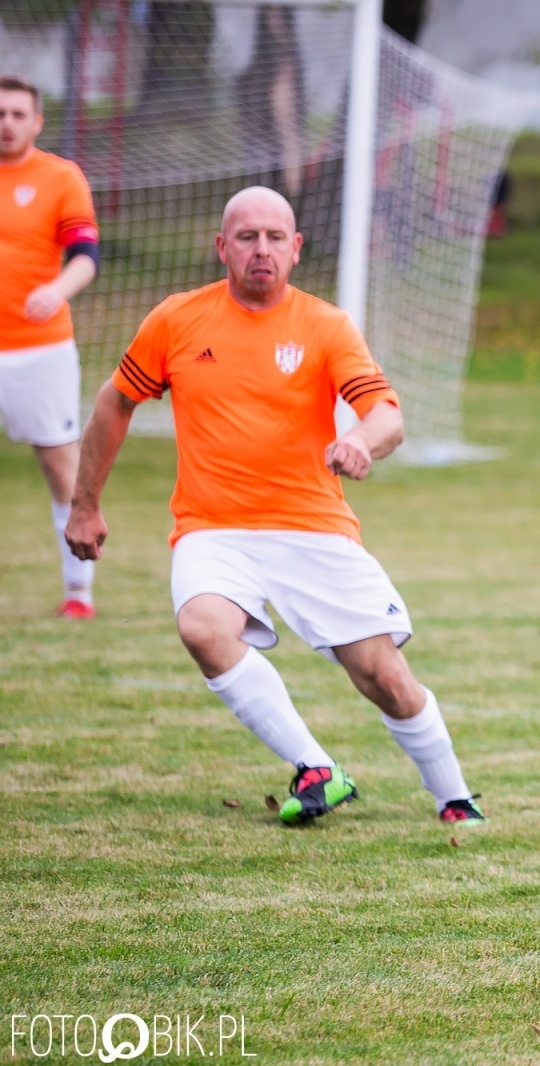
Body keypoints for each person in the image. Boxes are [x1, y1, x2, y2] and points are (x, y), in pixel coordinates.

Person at [66, 185, 485, 827]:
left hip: (313, 529)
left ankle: (455, 798)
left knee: (382, 676)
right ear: (222, 248)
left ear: (296, 248)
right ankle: (317, 767)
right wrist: (84, 504)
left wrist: (359, 442)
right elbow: (115, 401)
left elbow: (386, 416)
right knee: (203, 629)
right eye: (246, 237)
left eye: (274, 238)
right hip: (213, 530)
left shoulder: (324, 324)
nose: (261, 250)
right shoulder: (177, 320)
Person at [0, 74, 101, 618]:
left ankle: (78, 592)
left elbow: (86, 254)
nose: (7, 123)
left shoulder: (61, 178)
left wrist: (55, 289)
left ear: (37, 122)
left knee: (62, 468)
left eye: (18, 113)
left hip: (39, 350)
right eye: (0, 113)